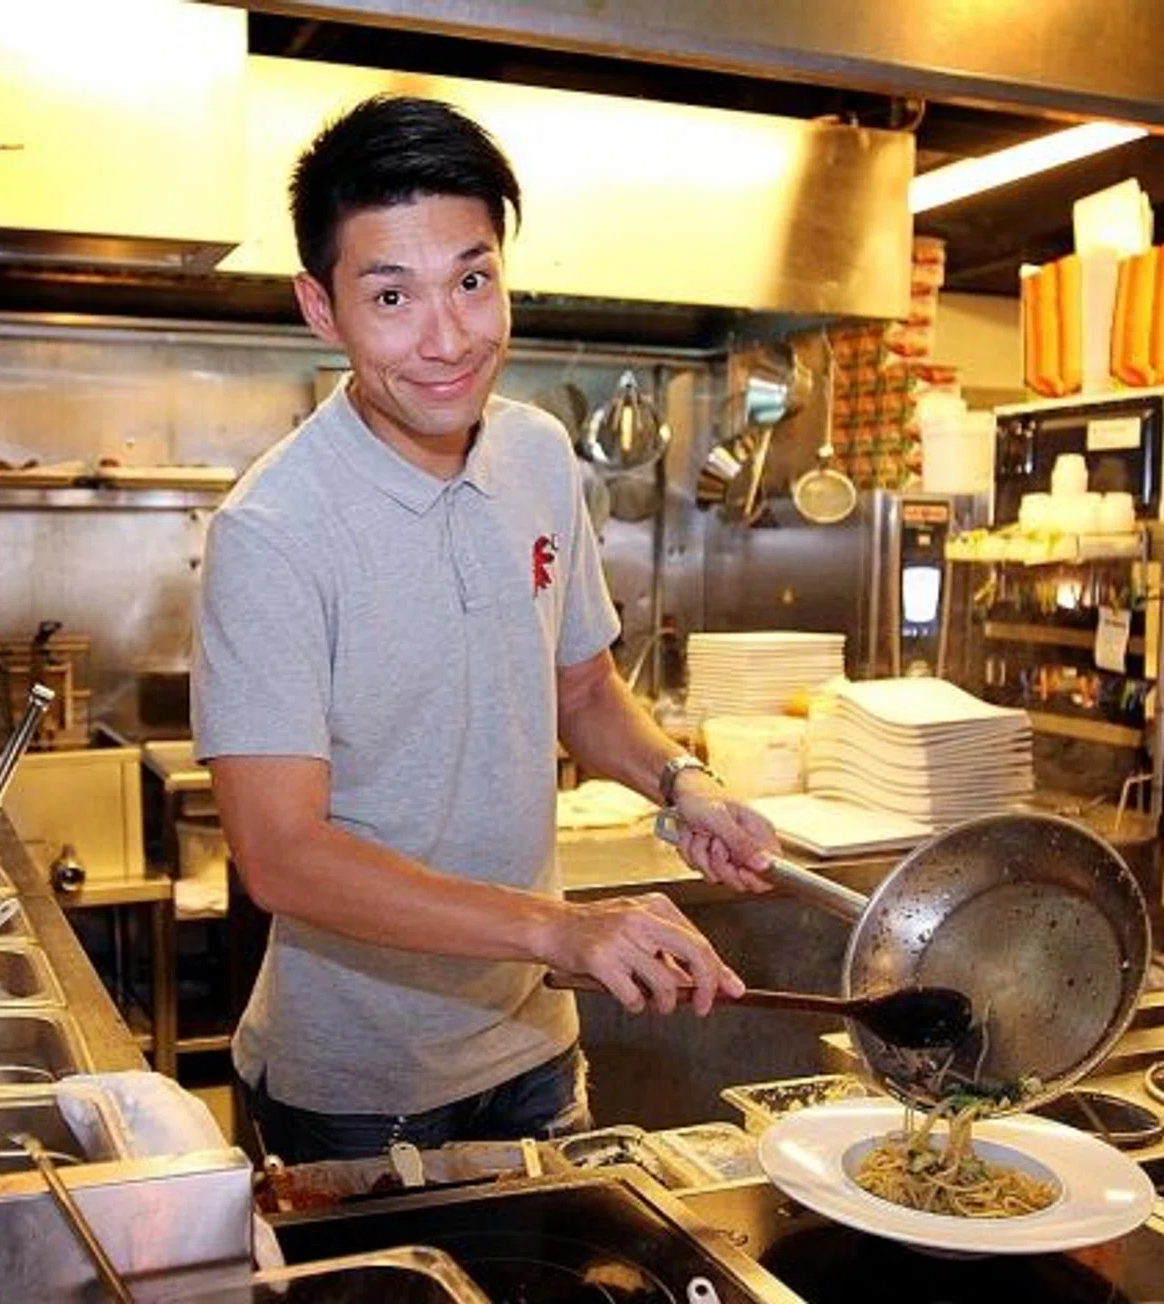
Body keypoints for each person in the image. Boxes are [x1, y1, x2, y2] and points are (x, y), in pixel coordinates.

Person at [192, 94, 779, 1164]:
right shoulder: (272, 528)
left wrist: (683, 784)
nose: (449, 338)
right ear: (320, 309)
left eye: (472, 280)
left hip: (534, 1048)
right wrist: (560, 928)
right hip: (357, 1090)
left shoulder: (539, 455)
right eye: (391, 296)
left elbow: (584, 692)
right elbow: (281, 855)